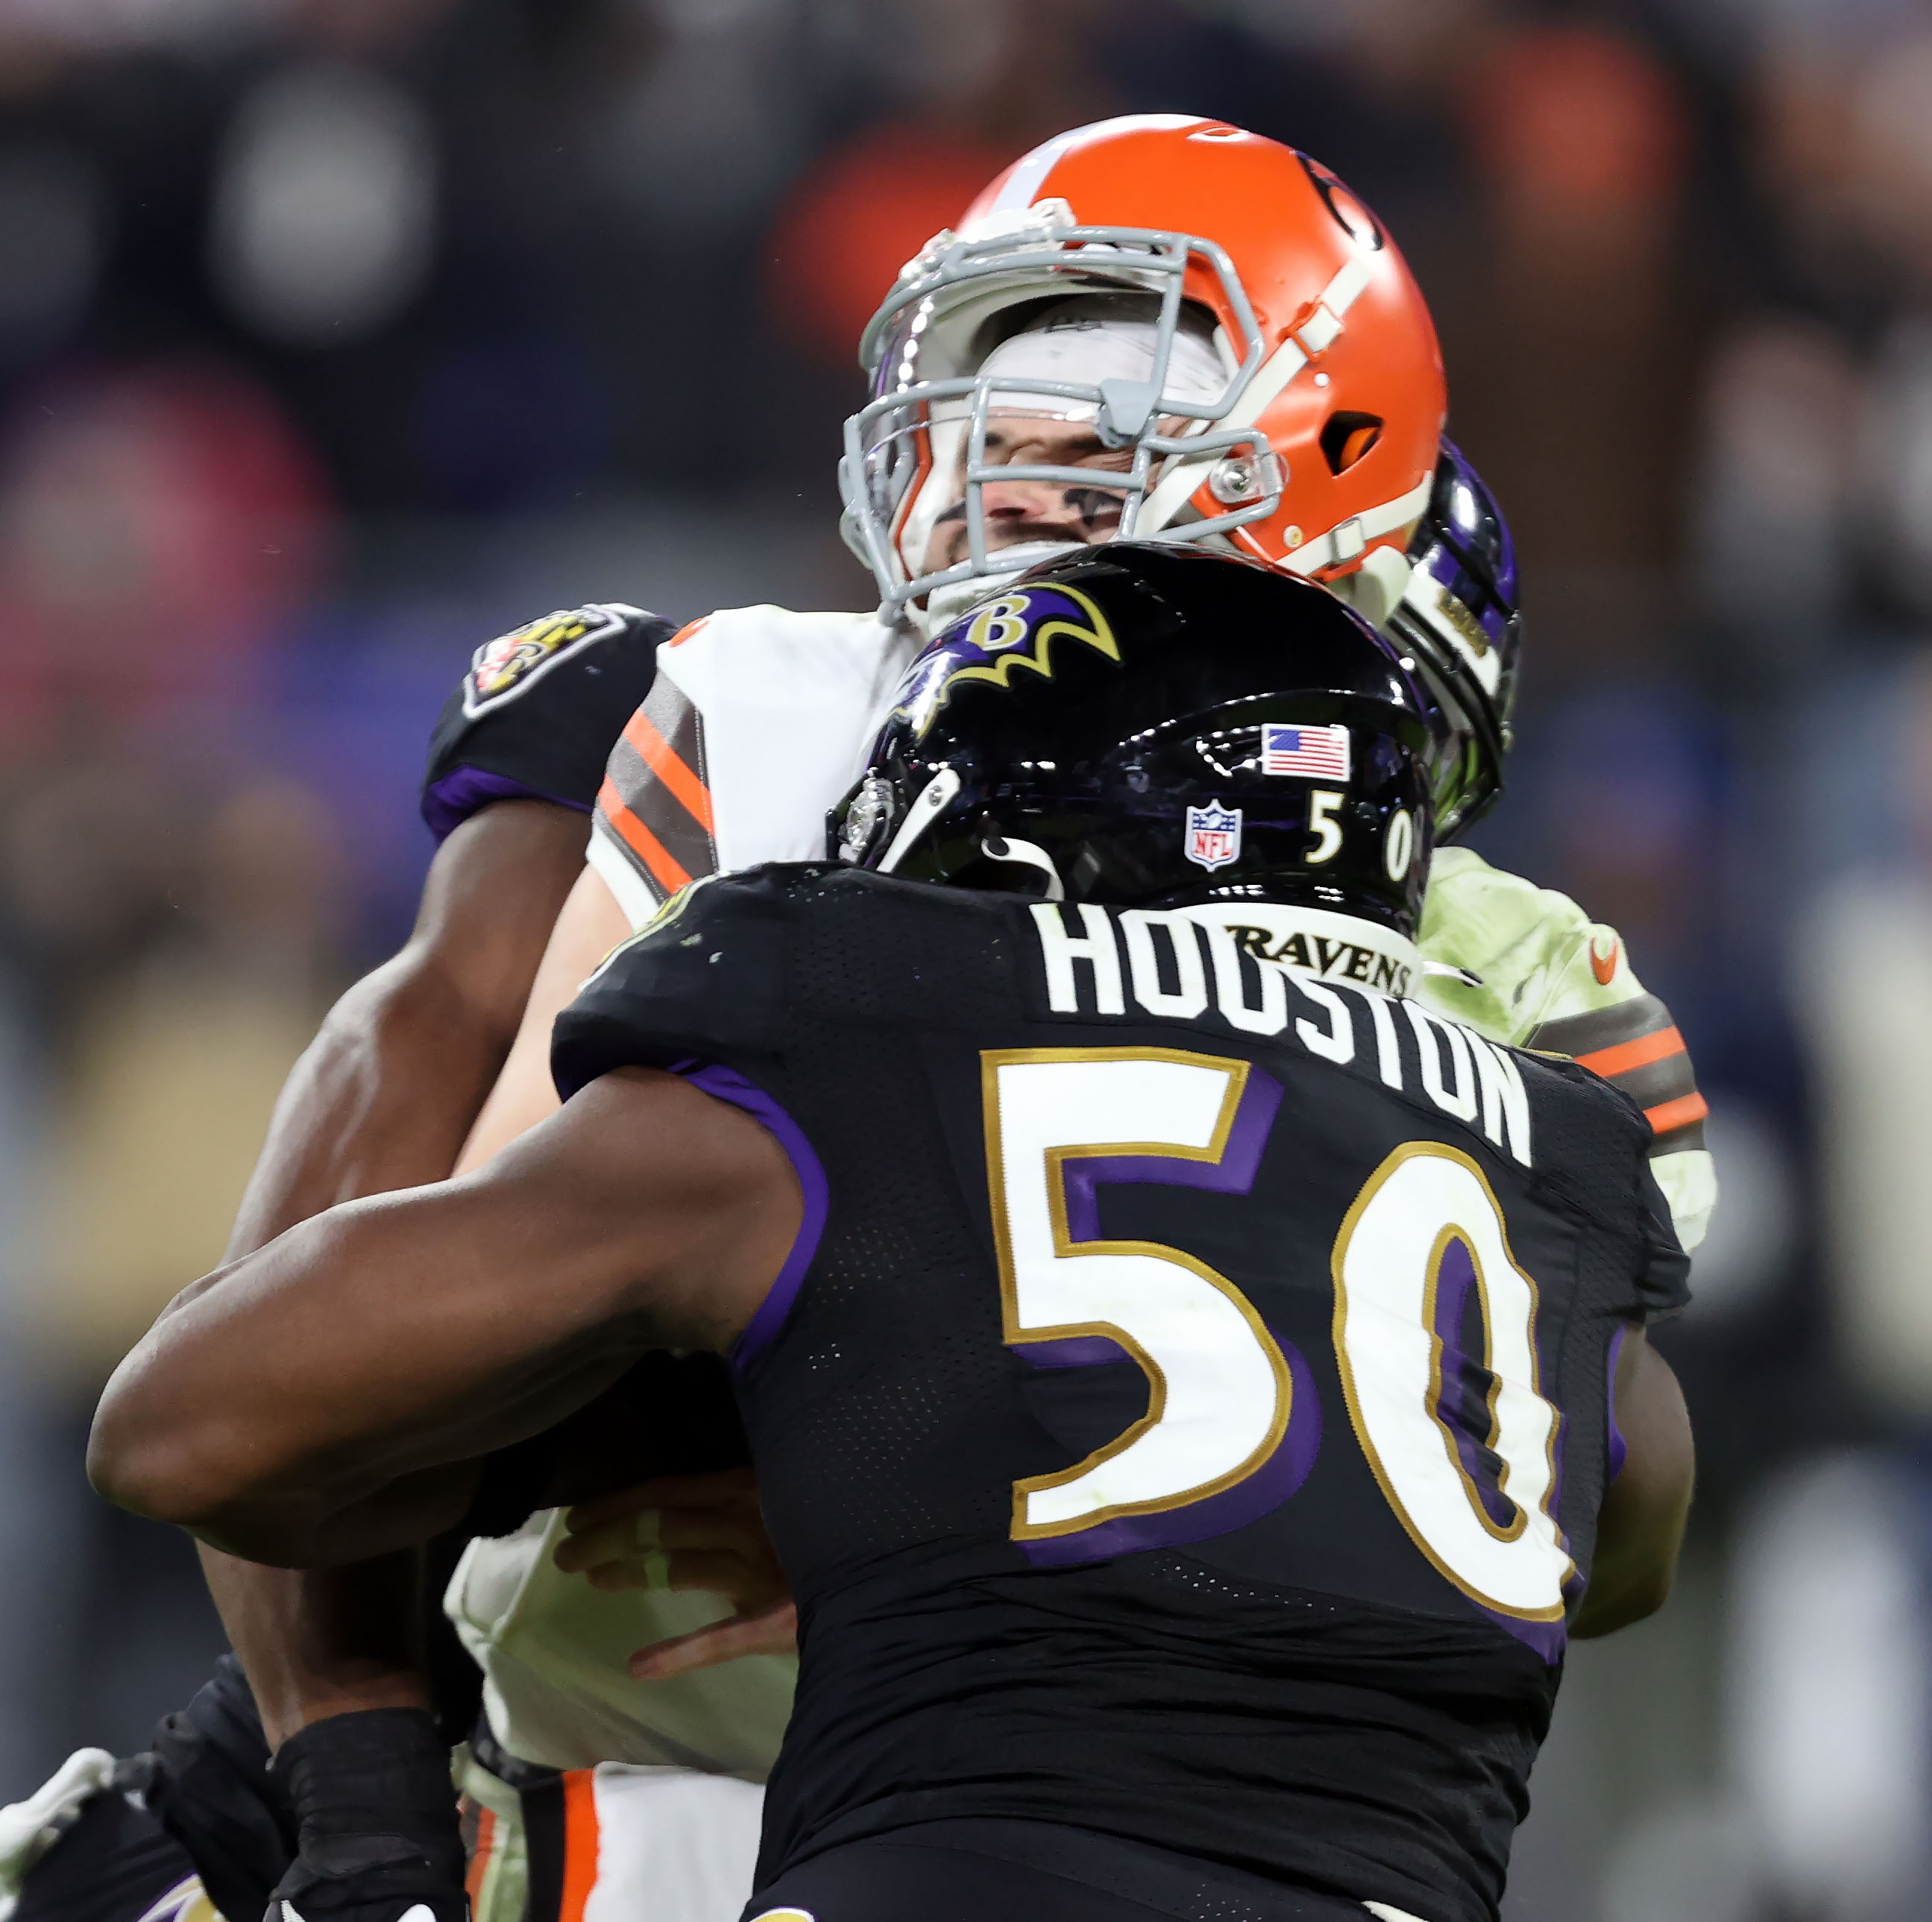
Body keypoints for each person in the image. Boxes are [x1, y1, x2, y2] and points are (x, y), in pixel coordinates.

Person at [7, 116, 1711, 1922]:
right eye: (991, 400)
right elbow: (411, 1306)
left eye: (1096, 415)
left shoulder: (1523, 963)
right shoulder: (755, 703)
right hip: (640, 1720)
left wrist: (972, 1461)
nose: (999, 466)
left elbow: (1546, 1516)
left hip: (925, 1780)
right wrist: (356, 1769)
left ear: (1330, 440)